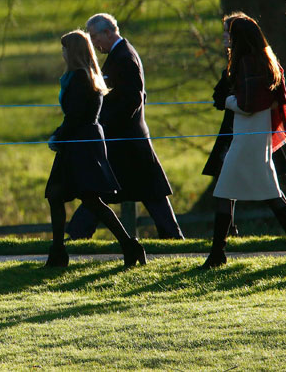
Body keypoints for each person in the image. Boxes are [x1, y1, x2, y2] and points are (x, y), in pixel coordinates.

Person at [201, 13, 286, 269]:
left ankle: (219, 254)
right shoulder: (263, 60)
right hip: (254, 135)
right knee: (259, 192)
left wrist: (227, 102)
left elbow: (247, 105)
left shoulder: (248, 63)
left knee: (230, 192)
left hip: (247, 137)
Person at [65, 13, 184, 240]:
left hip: (126, 140)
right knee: (143, 191)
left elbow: (134, 99)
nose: (93, 43)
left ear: (108, 32)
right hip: (126, 140)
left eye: (94, 37)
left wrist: (106, 123)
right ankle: (172, 236)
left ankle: (77, 236)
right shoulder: (120, 54)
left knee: (112, 189)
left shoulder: (124, 57)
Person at [45, 30, 146, 268]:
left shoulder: (81, 78)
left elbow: (77, 116)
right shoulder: (82, 76)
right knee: (58, 195)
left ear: (74, 52)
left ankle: (129, 245)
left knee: (90, 200)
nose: (62, 52)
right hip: (77, 144)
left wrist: (57, 136)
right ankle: (58, 251)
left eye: (65, 48)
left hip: (80, 147)